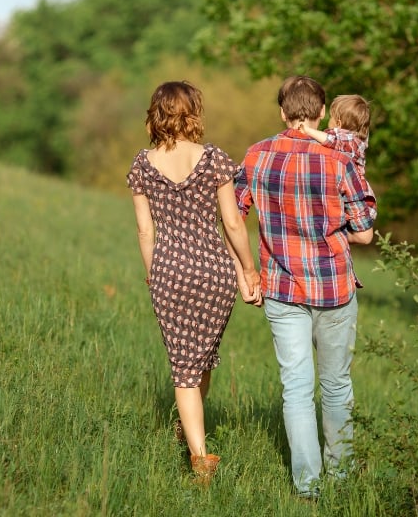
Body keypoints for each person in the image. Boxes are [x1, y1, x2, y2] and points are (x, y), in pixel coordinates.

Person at [235, 75, 377, 501]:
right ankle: (341, 479)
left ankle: (307, 486)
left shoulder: (257, 155)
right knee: (335, 385)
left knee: (296, 387)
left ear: (282, 112)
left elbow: (232, 214)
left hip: (280, 286)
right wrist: (331, 230)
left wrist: (245, 271)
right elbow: (366, 232)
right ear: (320, 114)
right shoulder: (339, 159)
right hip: (333, 287)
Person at [127, 80, 261, 485]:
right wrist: (248, 269)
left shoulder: (141, 165)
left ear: (156, 114)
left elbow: (144, 232)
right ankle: (197, 446)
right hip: (213, 272)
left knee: (187, 363)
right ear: (193, 112)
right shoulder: (215, 159)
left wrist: (154, 273)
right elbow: (233, 222)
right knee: (197, 360)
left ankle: (198, 456)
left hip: (170, 272)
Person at [299, 93, 370, 175]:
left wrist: (308, 130)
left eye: (331, 116)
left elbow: (330, 139)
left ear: (338, 123)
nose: (330, 118)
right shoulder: (356, 141)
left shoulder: (350, 140)